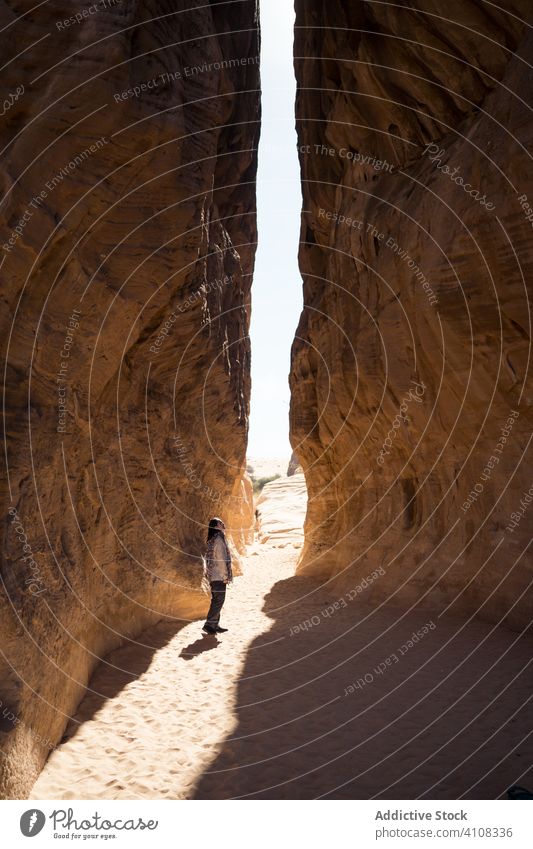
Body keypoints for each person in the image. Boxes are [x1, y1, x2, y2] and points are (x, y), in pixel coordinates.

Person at [202, 517, 232, 635]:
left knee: (217, 600)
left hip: (214, 576)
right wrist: (225, 576)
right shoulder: (219, 540)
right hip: (219, 576)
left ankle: (215, 624)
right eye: (220, 523)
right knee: (219, 600)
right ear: (215, 527)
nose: (223, 523)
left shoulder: (213, 539)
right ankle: (209, 624)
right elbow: (220, 560)